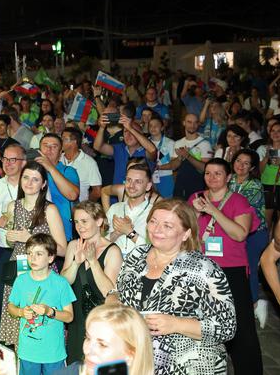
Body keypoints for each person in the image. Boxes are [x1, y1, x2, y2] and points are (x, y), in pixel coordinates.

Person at [113, 198, 236, 375]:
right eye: (153, 222)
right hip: (141, 361)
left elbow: (226, 327)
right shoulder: (136, 255)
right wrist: (113, 297)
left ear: (186, 233)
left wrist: (176, 324)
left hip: (189, 366)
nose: (157, 230)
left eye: (167, 226)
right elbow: (121, 290)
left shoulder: (204, 269)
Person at [189, 158, 263, 374]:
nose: (211, 178)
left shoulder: (239, 201)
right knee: (201, 322)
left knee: (241, 328)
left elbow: (240, 234)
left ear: (228, 177)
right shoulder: (195, 198)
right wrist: (194, 212)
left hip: (232, 270)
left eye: (218, 173)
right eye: (208, 173)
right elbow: (186, 232)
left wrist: (212, 210)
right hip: (201, 268)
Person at [0, 161, 67, 347]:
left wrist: (31, 237)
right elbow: (11, 243)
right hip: (19, 269)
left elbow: (63, 249)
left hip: (43, 272)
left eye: (35, 179)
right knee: (19, 321)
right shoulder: (13, 206)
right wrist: (12, 238)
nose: (29, 183)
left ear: (43, 184)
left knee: (41, 325)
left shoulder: (49, 209)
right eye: (26, 177)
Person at [61, 201, 121, 362]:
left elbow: (110, 292)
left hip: (98, 318)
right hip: (76, 317)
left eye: (84, 221)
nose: (79, 226)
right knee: (75, 362)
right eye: (76, 222)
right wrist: (76, 263)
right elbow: (63, 283)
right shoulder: (74, 245)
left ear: (99, 221)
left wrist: (93, 262)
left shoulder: (112, 251)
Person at [7, 233, 75, 373]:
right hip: (28, 351)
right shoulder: (21, 281)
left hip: (53, 352)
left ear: (50, 258)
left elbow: (69, 316)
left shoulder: (60, 283)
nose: (32, 258)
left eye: (39, 254)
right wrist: (21, 312)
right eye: (29, 253)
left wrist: (49, 311)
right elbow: (11, 307)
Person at [0, 144, 26, 341]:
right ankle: (4, 348)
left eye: (13, 160)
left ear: (23, 162)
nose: (8, 164)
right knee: (3, 300)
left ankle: (24, 345)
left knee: (25, 298)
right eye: (5, 159)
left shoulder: (32, 183)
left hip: (27, 251)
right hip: (2, 249)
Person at [228, 148, 270, 326]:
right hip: (233, 232)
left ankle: (254, 303)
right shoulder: (228, 181)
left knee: (249, 269)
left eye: (246, 163)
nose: (241, 166)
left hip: (254, 233)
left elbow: (235, 206)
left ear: (252, 167)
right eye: (239, 161)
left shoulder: (254, 185)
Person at [53, 304, 154, 375]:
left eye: (102, 345)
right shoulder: (74, 371)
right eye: (88, 338)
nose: (88, 350)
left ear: (130, 355)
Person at [106, 162, 155, 258]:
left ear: (148, 186)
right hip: (113, 264)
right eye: (129, 180)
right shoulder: (115, 208)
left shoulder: (154, 212)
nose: (131, 185)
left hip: (141, 265)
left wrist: (129, 232)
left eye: (138, 182)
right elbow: (102, 242)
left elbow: (154, 248)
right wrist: (117, 233)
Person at [37, 133, 80, 241]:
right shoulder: (32, 171)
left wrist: (50, 168)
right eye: (45, 145)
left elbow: (72, 195)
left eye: (54, 146)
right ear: (39, 149)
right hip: (37, 231)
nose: (49, 149)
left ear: (61, 152)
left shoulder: (68, 171)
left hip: (62, 233)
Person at [161, 113, 213, 200]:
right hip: (180, 186)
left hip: (197, 186)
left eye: (195, 122)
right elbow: (174, 166)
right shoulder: (178, 143)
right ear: (184, 123)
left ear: (198, 124)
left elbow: (205, 169)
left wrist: (188, 155)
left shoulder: (205, 144)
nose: (192, 125)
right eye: (189, 122)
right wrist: (180, 158)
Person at [61, 128, 102, 202]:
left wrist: (85, 206)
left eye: (64, 139)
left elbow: (97, 192)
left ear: (74, 142)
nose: (60, 142)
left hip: (78, 208)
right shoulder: (58, 158)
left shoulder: (89, 163)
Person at [258, 120, 280, 227]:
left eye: (279, 131)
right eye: (273, 131)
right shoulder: (262, 148)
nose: (275, 134)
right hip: (266, 185)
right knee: (267, 219)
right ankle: (267, 242)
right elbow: (259, 171)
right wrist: (266, 157)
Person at [147, 113, 175, 198]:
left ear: (162, 128)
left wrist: (159, 167)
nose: (153, 128)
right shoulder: (145, 142)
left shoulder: (171, 143)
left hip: (166, 177)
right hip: (149, 178)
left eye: (156, 125)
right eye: (151, 125)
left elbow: (174, 163)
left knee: (166, 204)